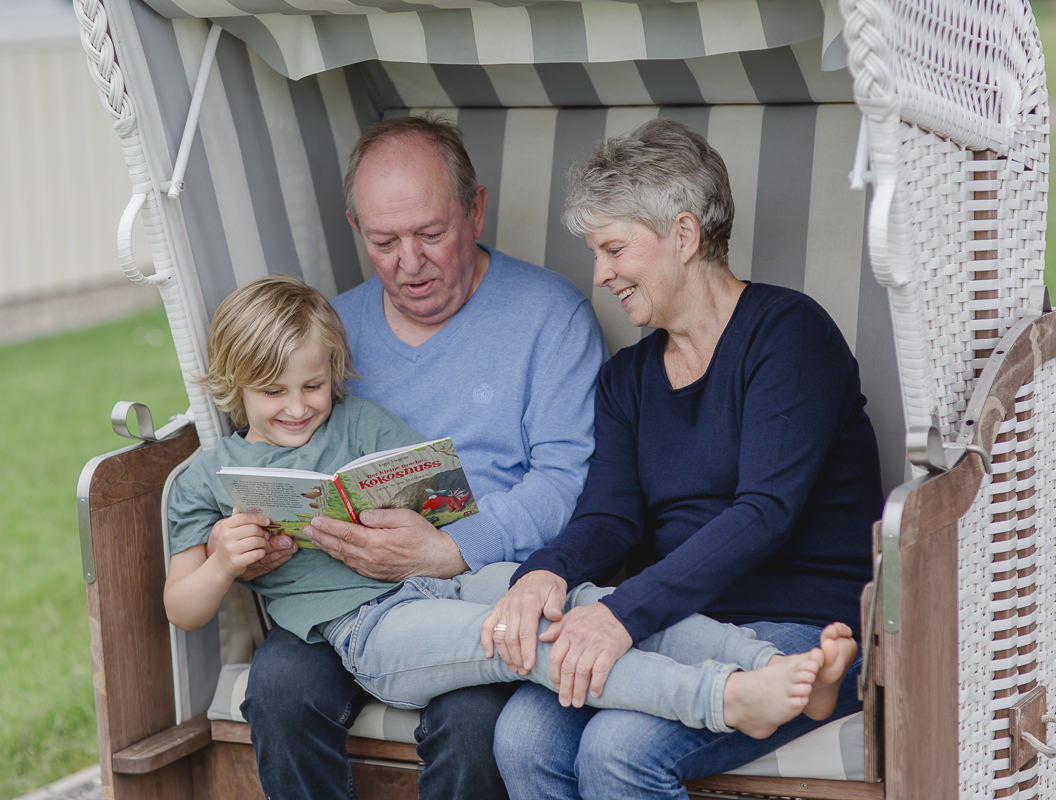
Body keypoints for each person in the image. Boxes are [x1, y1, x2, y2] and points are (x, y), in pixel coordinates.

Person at [167, 276, 857, 749]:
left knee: (584, 603)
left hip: (444, 580)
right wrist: (228, 560)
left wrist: (403, 518)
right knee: (528, 642)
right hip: (371, 629)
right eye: (272, 393)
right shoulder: (207, 478)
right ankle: (725, 697)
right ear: (233, 386)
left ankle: (774, 666)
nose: (297, 407)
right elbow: (182, 605)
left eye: (313, 384)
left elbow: (438, 493)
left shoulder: (359, 424)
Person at [487, 118, 882, 799]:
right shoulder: (627, 379)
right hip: (676, 620)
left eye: (613, 249)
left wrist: (621, 615)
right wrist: (543, 575)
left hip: (801, 623)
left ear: (684, 234)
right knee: (522, 737)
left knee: (617, 751)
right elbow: (609, 518)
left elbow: (765, 513)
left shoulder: (789, 335)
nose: (601, 274)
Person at [227, 115, 608, 799]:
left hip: (481, 587)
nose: (410, 262)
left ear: (476, 208)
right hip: (344, 594)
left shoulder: (551, 315)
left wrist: (445, 550)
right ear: (355, 228)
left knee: (471, 727)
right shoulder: (328, 331)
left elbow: (570, 483)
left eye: (432, 234)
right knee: (279, 689)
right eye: (384, 241)